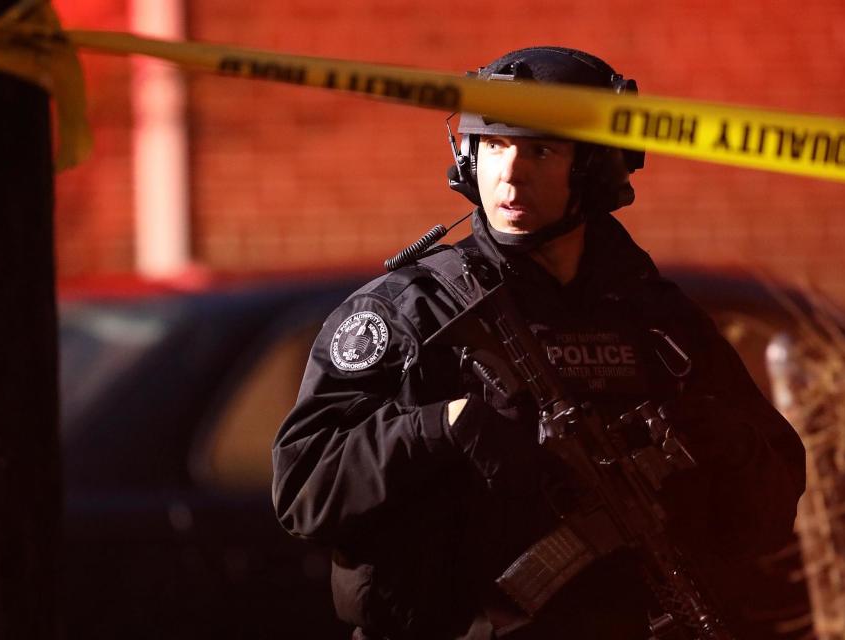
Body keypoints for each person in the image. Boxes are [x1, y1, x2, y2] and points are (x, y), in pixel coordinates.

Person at [272, 46, 806, 640]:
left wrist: (714, 442)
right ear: (468, 155)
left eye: (542, 150)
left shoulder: (657, 321)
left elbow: (776, 491)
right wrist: (436, 427)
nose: (510, 172)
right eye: (495, 146)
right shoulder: (409, 311)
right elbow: (302, 486)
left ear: (596, 169)